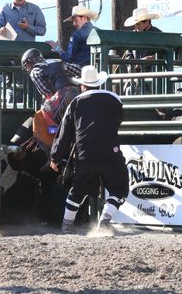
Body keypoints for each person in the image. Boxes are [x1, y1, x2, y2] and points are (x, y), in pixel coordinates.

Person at [50, 65, 129, 234]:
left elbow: (64, 132)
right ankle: (105, 219)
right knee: (119, 188)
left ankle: (67, 225)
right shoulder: (114, 99)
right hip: (110, 152)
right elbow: (119, 121)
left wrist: (56, 157)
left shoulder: (75, 103)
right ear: (100, 83)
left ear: (82, 85)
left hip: (85, 154)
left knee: (78, 190)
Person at [21, 48, 81, 147]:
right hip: (77, 93)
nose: (27, 68)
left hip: (62, 96)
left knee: (42, 115)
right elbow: (79, 69)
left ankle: (55, 140)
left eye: (27, 65)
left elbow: (46, 92)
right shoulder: (57, 62)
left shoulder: (35, 71)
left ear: (31, 61)